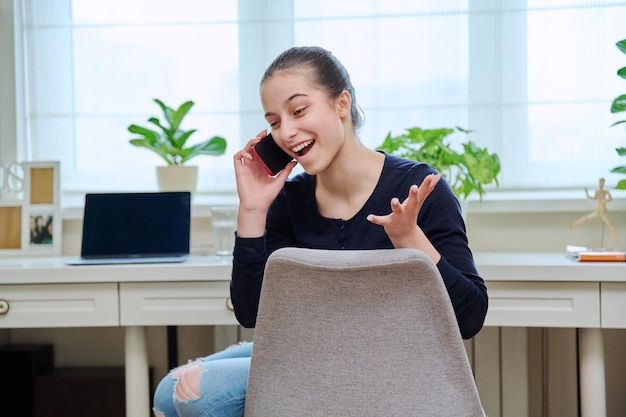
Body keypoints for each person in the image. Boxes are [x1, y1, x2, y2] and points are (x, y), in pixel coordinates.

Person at [152, 45, 488, 417]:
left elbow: (470, 317)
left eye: (298, 110)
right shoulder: (289, 200)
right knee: (168, 393)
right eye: (275, 122)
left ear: (341, 104)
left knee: (191, 395)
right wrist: (252, 209)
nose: (287, 132)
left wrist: (410, 240)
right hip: (309, 351)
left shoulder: (418, 187)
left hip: (389, 365)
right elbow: (252, 314)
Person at [569, 177, 620, 243]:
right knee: (585, 218)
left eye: (602, 183)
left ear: (604, 184)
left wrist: (605, 200)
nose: (601, 184)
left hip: (602, 211)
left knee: (609, 225)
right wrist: (587, 194)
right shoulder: (597, 191)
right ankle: (573, 226)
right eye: (600, 183)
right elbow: (594, 198)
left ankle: (616, 239)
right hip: (598, 210)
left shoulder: (605, 192)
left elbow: (610, 199)